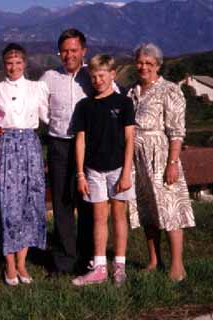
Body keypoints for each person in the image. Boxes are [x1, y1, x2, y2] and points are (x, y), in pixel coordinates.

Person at [0, 43, 48, 285]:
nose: (14, 67)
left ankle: (22, 262)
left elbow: (50, 116)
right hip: (6, 147)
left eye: (18, 62)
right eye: (9, 62)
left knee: (30, 202)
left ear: (25, 63)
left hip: (30, 146)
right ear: (4, 64)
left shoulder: (37, 88)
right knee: (8, 205)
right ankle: (9, 264)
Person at [128, 43, 195, 282]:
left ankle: (177, 265)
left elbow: (177, 130)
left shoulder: (169, 90)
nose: (143, 67)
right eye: (140, 62)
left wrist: (173, 162)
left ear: (158, 65)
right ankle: (154, 260)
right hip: (137, 157)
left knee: (170, 209)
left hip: (161, 155)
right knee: (148, 210)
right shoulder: (132, 91)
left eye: (149, 63)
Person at [71, 54, 135, 286]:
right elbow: (80, 141)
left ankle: (119, 266)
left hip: (119, 168)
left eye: (102, 76)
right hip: (93, 170)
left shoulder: (124, 103)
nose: (97, 80)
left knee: (119, 216)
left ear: (112, 74)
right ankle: (99, 268)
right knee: (99, 217)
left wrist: (126, 172)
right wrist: (80, 174)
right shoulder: (84, 106)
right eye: (93, 77)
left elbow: (130, 139)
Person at [39, 29, 94, 275]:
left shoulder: (92, 76)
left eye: (74, 50)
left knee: (88, 202)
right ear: (59, 52)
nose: (69, 55)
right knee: (62, 202)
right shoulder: (49, 77)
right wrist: (54, 124)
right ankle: (64, 261)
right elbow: (39, 106)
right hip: (59, 144)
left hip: (89, 146)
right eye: (65, 51)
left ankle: (88, 257)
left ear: (84, 51)